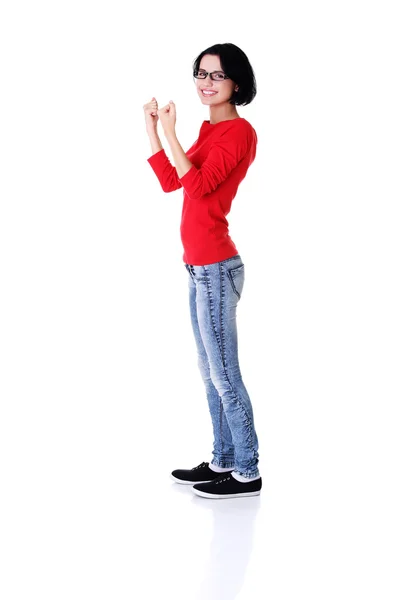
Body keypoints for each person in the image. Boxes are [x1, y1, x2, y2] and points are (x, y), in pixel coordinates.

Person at [143, 43, 261, 499]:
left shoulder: (237, 132)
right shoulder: (208, 131)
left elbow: (201, 185)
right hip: (197, 267)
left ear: (237, 83)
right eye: (200, 74)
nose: (205, 83)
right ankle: (223, 459)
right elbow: (172, 181)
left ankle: (247, 469)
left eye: (216, 75)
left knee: (225, 372)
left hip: (216, 266)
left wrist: (172, 133)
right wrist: (153, 129)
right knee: (209, 370)